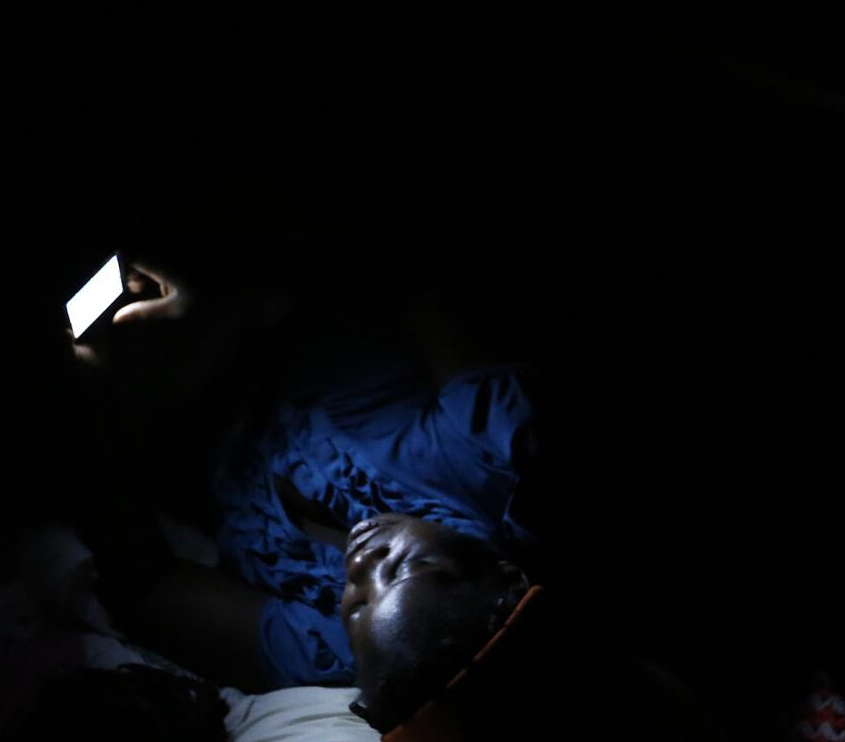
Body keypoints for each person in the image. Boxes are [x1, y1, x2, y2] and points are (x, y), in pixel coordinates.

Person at [73, 258, 545, 695]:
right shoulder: (495, 454)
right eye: (406, 566)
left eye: (358, 607)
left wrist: (89, 397)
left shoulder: (351, 651)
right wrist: (235, 295)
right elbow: (416, 260)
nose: (360, 566)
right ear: (504, 573)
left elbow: (147, 586)